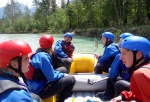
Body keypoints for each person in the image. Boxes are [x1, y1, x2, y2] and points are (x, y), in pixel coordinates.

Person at [24, 34, 76, 102]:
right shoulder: (43, 57)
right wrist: (63, 75)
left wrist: (61, 73)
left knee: (63, 69)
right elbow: (51, 77)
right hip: (39, 90)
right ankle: (60, 100)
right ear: (51, 45)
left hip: (35, 85)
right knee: (71, 79)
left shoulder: (36, 53)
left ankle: (58, 93)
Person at [110, 36, 150, 102]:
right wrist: (122, 96)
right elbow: (139, 93)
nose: (120, 57)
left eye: (124, 53)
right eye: (120, 53)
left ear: (138, 54)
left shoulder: (140, 74)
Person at [96, 33, 134, 101]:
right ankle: (107, 94)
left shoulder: (119, 55)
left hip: (129, 87)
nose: (118, 43)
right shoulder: (141, 57)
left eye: (121, 41)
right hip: (132, 84)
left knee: (115, 80)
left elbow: (112, 75)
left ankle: (108, 96)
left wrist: (111, 70)